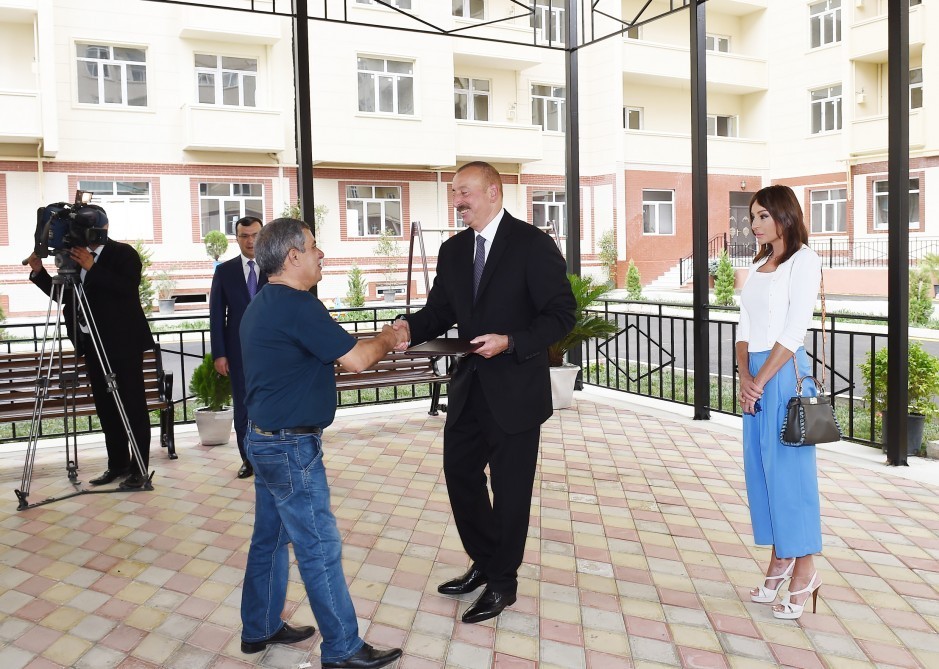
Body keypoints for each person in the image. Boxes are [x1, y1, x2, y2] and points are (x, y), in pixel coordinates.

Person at [393, 161, 575, 624]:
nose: (457, 201)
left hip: (516, 391)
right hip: (469, 388)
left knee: (511, 491)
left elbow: (561, 315)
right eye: (454, 193)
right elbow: (439, 311)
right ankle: (486, 559)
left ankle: (502, 583)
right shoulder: (453, 250)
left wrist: (511, 342)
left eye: (465, 192)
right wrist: (408, 326)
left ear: (493, 192)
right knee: (460, 475)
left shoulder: (533, 244)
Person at [238, 218, 404, 669]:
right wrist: (389, 336)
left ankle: (259, 627)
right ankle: (343, 648)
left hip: (263, 440)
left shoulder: (262, 302)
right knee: (318, 547)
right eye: (314, 246)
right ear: (293, 257)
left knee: (269, 540)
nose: (321, 254)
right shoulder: (298, 306)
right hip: (290, 449)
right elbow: (357, 359)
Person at [735, 184, 823, 621]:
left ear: (784, 215)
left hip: (784, 374)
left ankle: (805, 569)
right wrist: (744, 377)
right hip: (755, 374)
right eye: (752, 217)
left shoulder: (804, 260)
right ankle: (779, 558)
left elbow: (794, 329)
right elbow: (743, 324)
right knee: (761, 470)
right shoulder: (757, 265)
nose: (754, 224)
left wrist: (761, 380)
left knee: (790, 474)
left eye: (762, 216)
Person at [27, 205, 155, 489]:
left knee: (131, 407)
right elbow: (65, 296)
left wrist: (93, 267)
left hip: (123, 345)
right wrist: (39, 273)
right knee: (107, 409)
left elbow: (126, 289)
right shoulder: (75, 255)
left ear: (101, 229)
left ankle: (139, 470)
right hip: (92, 344)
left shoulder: (124, 254)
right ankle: (118, 465)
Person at [209, 216, 267, 478]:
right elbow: (216, 316)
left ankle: (270, 455)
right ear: (237, 239)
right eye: (244, 236)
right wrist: (220, 353)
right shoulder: (225, 271)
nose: (250, 241)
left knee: (269, 403)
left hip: (273, 351)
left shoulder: (275, 266)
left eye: (255, 235)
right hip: (238, 353)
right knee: (243, 407)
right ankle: (248, 459)